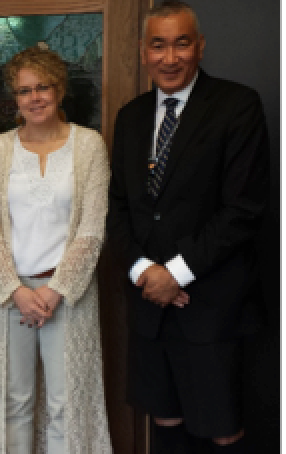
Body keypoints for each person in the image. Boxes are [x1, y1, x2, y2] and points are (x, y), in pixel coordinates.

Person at [106, 2, 269, 453]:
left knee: (223, 429)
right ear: (143, 51)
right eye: (158, 45)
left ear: (200, 46)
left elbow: (243, 210)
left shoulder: (238, 105)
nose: (170, 57)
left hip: (212, 305)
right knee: (165, 421)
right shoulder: (131, 115)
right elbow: (117, 207)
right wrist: (143, 271)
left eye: (181, 43)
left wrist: (174, 273)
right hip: (149, 309)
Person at [0, 45, 112, 454]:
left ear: (60, 89)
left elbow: (92, 229)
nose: (35, 98)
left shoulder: (89, 146)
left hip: (68, 294)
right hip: (9, 296)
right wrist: (16, 290)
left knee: (67, 405)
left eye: (43, 87)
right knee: (13, 402)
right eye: (24, 90)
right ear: (15, 98)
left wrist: (55, 290)